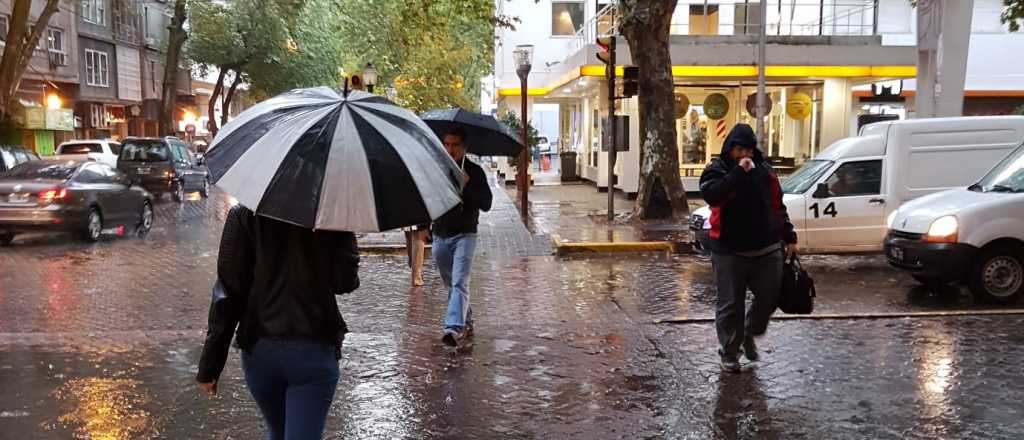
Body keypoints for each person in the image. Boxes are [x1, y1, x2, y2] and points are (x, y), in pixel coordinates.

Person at [196, 205, 360, 439]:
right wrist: (345, 236)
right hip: (313, 350)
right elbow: (345, 282)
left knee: (278, 431)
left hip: (261, 348)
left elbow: (228, 292)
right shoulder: (331, 214)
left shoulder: (244, 214)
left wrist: (210, 366)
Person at [699, 123, 797, 374]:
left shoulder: (765, 172)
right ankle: (730, 353)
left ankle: (750, 331)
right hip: (729, 251)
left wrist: (789, 235)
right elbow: (713, 195)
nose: (744, 155)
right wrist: (737, 174)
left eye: (749, 150)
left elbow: (778, 205)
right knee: (730, 305)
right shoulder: (717, 170)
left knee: (769, 297)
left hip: (766, 249)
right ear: (730, 149)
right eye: (739, 149)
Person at [433, 127, 493, 347]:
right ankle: (466, 319)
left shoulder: (475, 172)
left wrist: (467, 185)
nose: (450, 149)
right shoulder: (436, 169)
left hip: (465, 235)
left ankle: (453, 328)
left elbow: (486, 204)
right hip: (439, 235)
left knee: (459, 281)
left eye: (455, 145)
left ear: (464, 147)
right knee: (452, 284)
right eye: (447, 144)